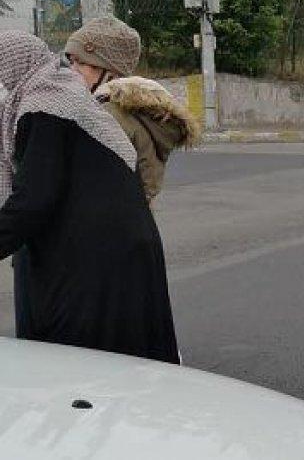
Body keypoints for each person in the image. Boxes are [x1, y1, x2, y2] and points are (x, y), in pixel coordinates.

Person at [0, 31, 179, 363]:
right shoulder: (57, 96)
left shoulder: (46, 104)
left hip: (95, 261)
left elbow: (35, 199)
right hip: (101, 252)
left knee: (87, 371)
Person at [64, 16, 199, 204]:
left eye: (80, 62)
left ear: (108, 70)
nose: (72, 70)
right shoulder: (132, 111)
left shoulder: (107, 116)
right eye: (70, 62)